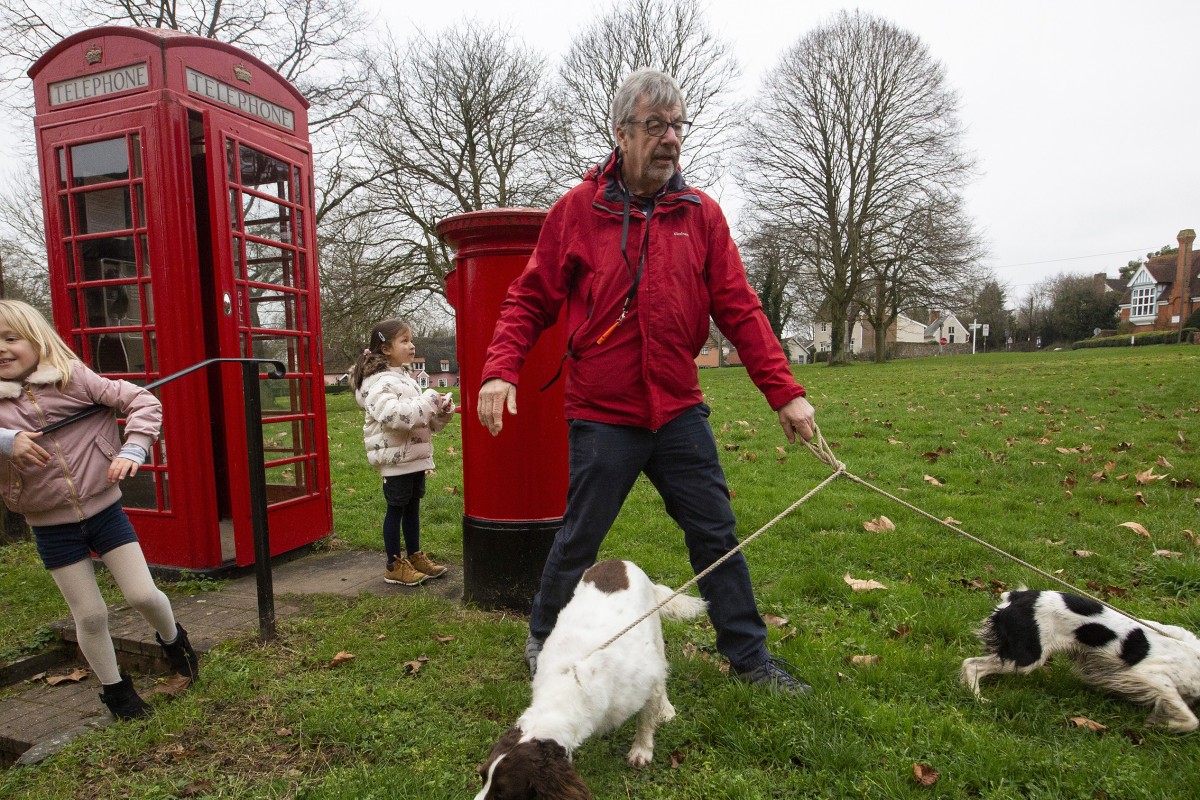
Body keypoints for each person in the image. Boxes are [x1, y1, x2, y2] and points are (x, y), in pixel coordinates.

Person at [476, 69, 817, 693]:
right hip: (603, 412)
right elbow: (527, 301)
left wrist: (785, 393)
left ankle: (750, 660)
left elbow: (740, 308)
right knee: (580, 537)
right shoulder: (578, 213)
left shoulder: (702, 215)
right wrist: (500, 371)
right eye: (654, 126)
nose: (670, 139)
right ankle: (544, 638)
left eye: (678, 126)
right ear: (621, 134)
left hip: (678, 409)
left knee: (715, 533)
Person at [0, 299, 198, 721]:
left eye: (10, 338)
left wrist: (134, 447)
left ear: (36, 340)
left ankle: (175, 644)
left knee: (143, 594)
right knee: (90, 615)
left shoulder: (74, 380)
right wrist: (7, 440)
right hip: (50, 525)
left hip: (105, 511)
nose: (1, 349)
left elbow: (144, 401)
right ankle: (117, 694)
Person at [351, 319, 456, 586]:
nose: (412, 345)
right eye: (405, 341)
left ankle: (414, 556)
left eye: (411, 340)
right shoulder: (379, 383)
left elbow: (423, 421)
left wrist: (440, 411)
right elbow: (397, 417)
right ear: (386, 349)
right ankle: (393, 565)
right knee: (396, 509)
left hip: (413, 456)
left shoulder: (404, 378)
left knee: (412, 508)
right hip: (395, 458)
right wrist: (429, 399)